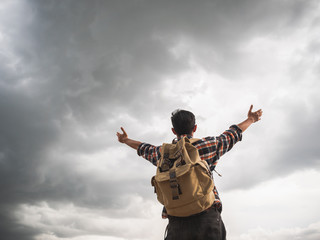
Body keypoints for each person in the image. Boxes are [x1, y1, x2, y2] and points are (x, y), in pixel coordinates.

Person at [116, 105, 263, 240]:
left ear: (173, 130)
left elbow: (143, 148)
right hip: (207, 218)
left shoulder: (163, 154)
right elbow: (233, 134)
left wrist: (126, 140)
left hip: (176, 222)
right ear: (195, 128)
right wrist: (251, 119)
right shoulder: (208, 145)